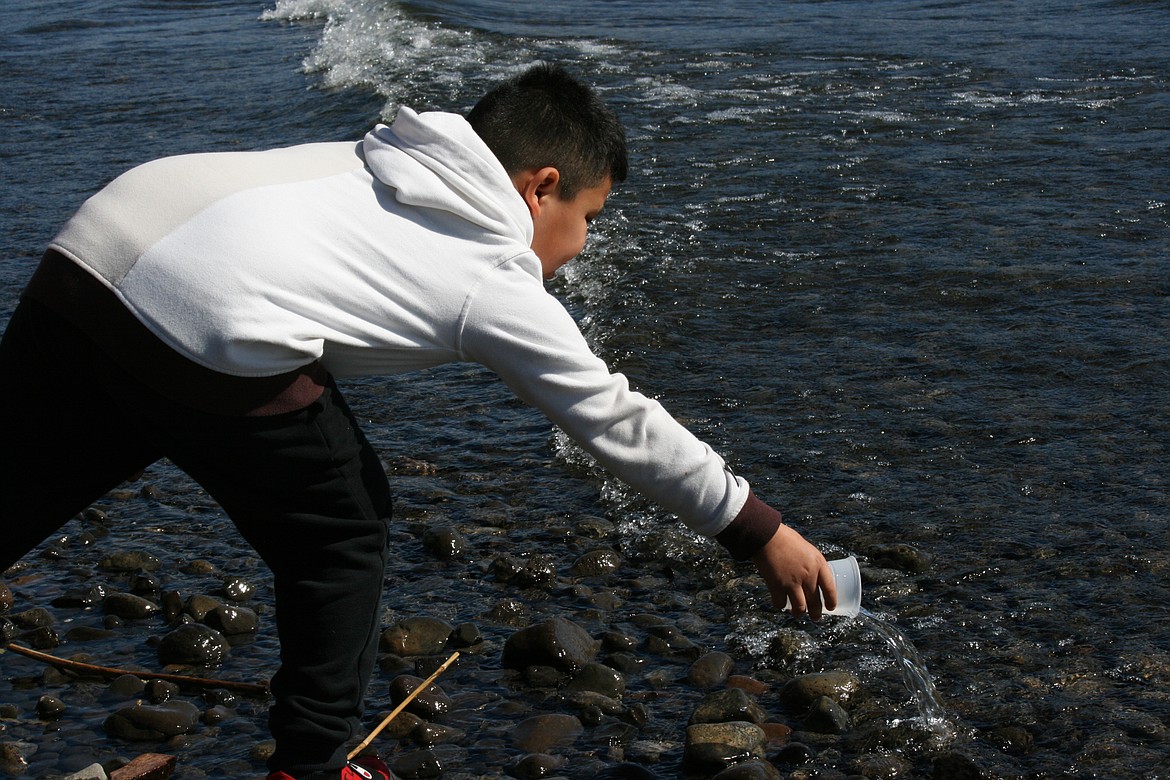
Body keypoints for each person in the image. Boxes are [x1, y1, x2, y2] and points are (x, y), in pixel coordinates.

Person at [0, 63, 836, 780]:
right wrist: (756, 529)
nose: (582, 244)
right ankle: (314, 764)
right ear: (542, 186)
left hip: (95, 248)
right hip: (206, 314)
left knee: (30, 473)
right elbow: (610, 413)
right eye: (589, 218)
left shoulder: (382, 153)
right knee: (344, 525)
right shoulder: (487, 272)